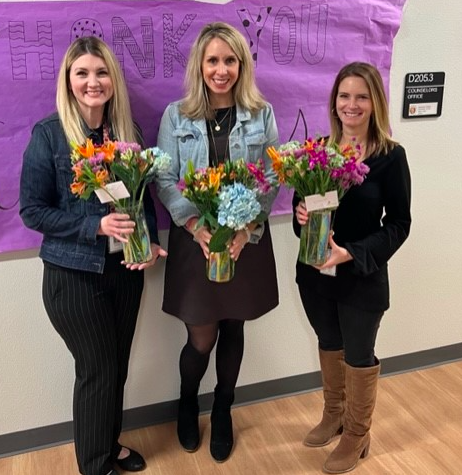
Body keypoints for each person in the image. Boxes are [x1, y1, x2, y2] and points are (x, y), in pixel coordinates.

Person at [19, 37, 167, 475]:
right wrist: (94, 226)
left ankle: (107, 443)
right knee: (97, 370)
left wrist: (149, 242)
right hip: (73, 275)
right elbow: (32, 210)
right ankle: (95, 464)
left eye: (101, 73)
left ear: (113, 80)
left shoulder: (129, 133)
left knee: (116, 366)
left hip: (124, 270)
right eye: (82, 73)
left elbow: (142, 199)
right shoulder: (49, 135)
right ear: (68, 80)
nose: (92, 82)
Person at [155, 22, 279, 463]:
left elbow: (270, 178)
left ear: (241, 65)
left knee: (234, 325)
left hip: (246, 241)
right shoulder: (177, 115)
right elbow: (165, 178)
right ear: (200, 65)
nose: (221, 69)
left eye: (230, 60)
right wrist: (194, 225)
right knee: (201, 336)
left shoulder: (261, 113)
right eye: (213, 60)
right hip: (198, 240)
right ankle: (188, 401)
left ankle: (224, 408)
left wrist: (246, 232)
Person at [293, 62, 411, 473]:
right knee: (329, 340)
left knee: (359, 354)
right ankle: (334, 413)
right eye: (345, 96)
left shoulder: (390, 157)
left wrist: (351, 253)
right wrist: (302, 216)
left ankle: (357, 433)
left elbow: (399, 224)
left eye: (361, 96)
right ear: (334, 101)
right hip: (315, 274)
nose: (352, 104)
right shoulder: (318, 150)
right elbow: (300, 213)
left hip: (361, 274)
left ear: (374, 101)